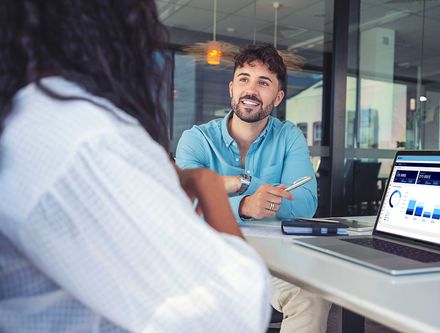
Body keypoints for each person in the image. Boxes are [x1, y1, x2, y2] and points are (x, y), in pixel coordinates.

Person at [0, 1, 271, 332]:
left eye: (264, 82)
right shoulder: (88, 137)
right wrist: (212, 188)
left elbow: (302, 201)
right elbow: (231, 311)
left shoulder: (29, 118)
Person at [176, 44, 331, 333]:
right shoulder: (196, 140)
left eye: (264, 82)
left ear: (278, 96)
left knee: (312, 295)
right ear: (232, 88)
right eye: (244, 79)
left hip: (274, 260)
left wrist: (234, 187)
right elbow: (180, 205)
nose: (251, 90)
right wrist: (245, 204)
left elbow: (306, 203)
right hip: (208, 255)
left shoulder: (289, 137)